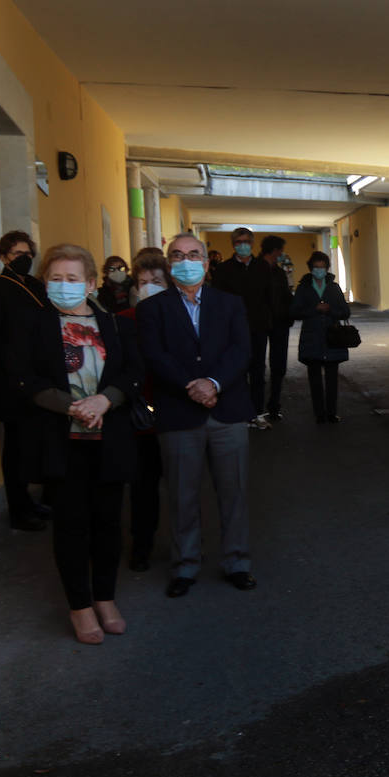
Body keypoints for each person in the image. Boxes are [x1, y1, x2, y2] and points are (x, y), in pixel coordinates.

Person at [9, 244, 140, 643]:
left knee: (108, 523)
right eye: (56, 278)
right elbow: (24, 380)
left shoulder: (115, 325)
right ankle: (80, 605)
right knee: (71, 525)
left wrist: (106, 399)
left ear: (90, 282)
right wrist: (74, 407)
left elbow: (133, 373)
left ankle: (105, 596)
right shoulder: (31, 324)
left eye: (73, 279)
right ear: (45, 282)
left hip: (109, 438)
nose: (64, 286)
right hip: (61, 441)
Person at [136, 233, 256, 598]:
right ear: (169, 265)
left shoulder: (231, 303)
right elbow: (155, 356)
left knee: (233, 492)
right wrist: (193, 385)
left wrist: (214, 383)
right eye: (177, 255)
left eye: (193, 254)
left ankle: (237, 562)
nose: (185, 261)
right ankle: (185, 565)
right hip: (178, 414)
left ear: (205, 263)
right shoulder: (152, 308)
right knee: (182, 494)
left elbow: (242, 350)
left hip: (227, 412)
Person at [0, 231, 53, 531]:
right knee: (16, 447)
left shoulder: (34, 285)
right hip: (11, 382)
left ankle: (31, 501)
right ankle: (18, 508)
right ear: (3, 256)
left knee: (33, 444)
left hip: (39, 377)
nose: (24, 259)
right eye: (17, 254)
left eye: (28, 253)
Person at [120, 251, 170, 570]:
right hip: (142, 419)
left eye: (156, 282)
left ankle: (187, 546)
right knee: (143, 486)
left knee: (184, 485)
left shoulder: (181, 317)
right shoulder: (124, 320)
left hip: (178, 414)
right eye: (143, 282)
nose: (148, 287)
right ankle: (142, 543)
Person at [209, 227, 275, 429]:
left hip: (257, 327)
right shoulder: (223, 269)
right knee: (235, 371)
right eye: (238, 242)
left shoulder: (263, 267)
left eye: (246, 241)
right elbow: (217, 302)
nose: (243, 245)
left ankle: (257, 413)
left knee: (257, 371)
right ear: (233, 244)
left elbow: (269, 296)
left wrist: (268, 321)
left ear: (252, 243)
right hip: (232, 330)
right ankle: (237, 412)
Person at [290, 252, 350, 423]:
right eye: (316, 267)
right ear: (311, 268)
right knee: (314, 379)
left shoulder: (334, 287)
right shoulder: (303, 288)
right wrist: (315, 309)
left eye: (322, 267)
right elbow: (294, 312)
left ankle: (331, 412)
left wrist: (330, 309)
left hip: (332, 338)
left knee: (332, 380)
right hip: (311, 339)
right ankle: (319, 414)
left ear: (327, 268)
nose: (319, 270)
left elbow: (345, 312)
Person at [259, 235, 293, 421]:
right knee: (256, 366)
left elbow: (286, 296)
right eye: (280, 250)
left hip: (280, 323)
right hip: (259, 323)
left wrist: (291, 314)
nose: (281, 254)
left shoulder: (279, 272)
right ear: (274, 250)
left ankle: (274, 405)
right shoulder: (256, 270)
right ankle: (256, 407)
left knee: (278, 366)